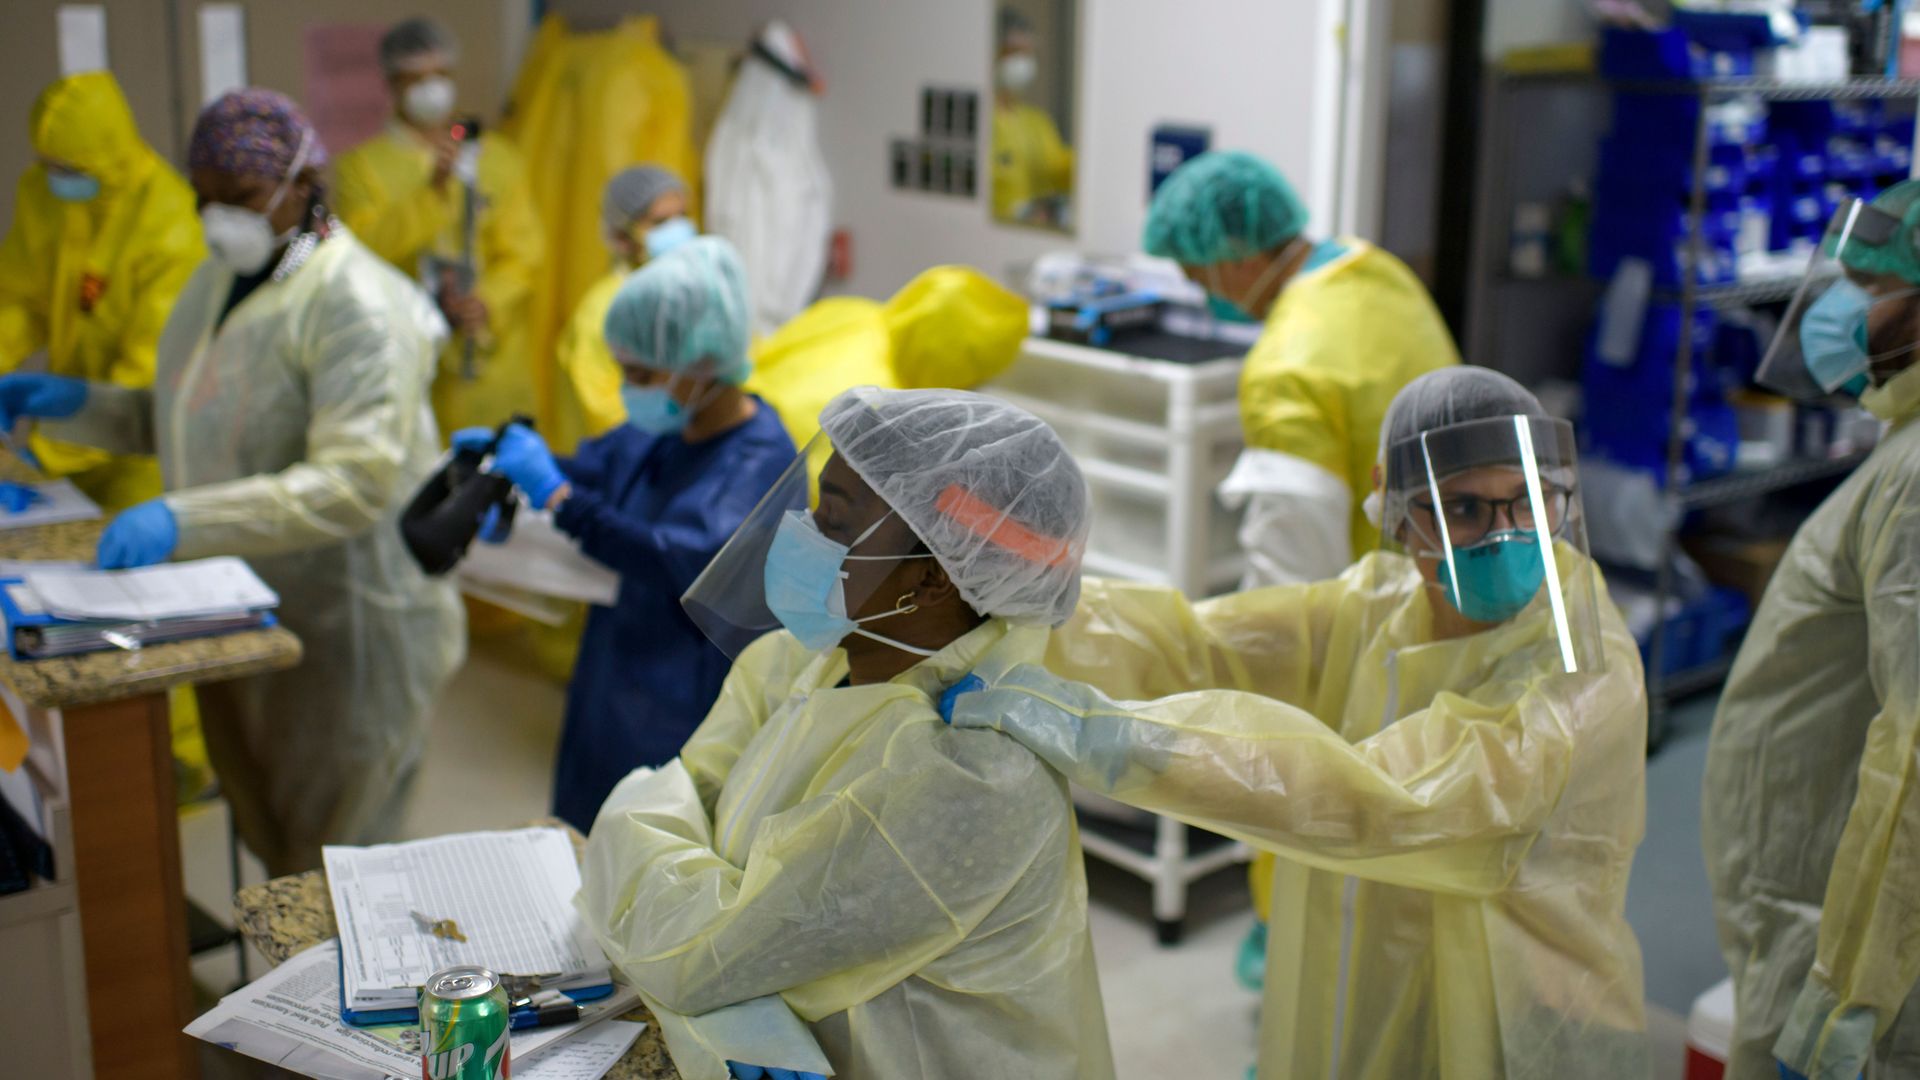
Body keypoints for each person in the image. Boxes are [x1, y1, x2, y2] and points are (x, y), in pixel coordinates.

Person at [945, 367, 1650, 1079]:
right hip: (1357, 973)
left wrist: (1105, 737)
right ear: (1396, 506)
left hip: (1514, 1010)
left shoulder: (1586, 671)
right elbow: (1194, 643)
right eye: (1464, 508)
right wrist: (1025, 595)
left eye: (1528, 502)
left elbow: (1389, 798)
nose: (1506, 536)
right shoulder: (1380, 603)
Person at [577, 387, 1115, 1080]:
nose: (797, 534)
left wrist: (642, 832)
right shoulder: (805, 658)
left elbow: (695, 953)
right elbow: (698, 796)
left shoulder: (972, 776)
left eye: (833, 521)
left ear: (927, 581)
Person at [0, 90, 464, 876]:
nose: (221, 220)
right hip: (242, 596)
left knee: (338, 867)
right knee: (272, 834)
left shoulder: (357, 303)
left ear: (304, 179)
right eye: (205, 198)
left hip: (349, 618)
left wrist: (181, 520)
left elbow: (354, 482)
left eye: (242, 199)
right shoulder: (221, 279)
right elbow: (195, 414)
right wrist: (80, 407)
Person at [1144, 149, 1461, 967]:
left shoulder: (1289, 366)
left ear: (1241, 253)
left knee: (1333, 881)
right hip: (1453, 611)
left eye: (1197, 267)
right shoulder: (1377, 274)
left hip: (1368, 658)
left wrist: (1219, 686)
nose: (1198, 287)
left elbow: (1293, 583)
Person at [458, 237, 795, 831]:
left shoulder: (757, 464)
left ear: (703, 361)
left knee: (649, 845)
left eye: (641, 372)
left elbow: (673, 556)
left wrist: (557, 497)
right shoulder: (673, 423)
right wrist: (510, 459)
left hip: (681, 692)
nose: (628, 387)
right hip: (615, 665)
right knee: (587, 827)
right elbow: (600, 466)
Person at [1704, 183, 1920, 1080]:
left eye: (1872, 290)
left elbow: (1913, 766)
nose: (1841, 309)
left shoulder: (1915, 481)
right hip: (1805, 901)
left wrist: (1850, 996)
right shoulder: (1901, 442)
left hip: (1830, 931)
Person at [0, 71, 203, 510]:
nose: (55, 177)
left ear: (105, 156)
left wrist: (43, 456)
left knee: (125, 565)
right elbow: (18, 298)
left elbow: (143, 373)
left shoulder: (170, 224)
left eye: (69, 169)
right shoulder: (43, 193)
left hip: (143, 447)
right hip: (66, 429)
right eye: (48, 163)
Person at [332, 16, 543, 438]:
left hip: (490, 366)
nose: (431, 88)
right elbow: (362, 252)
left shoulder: (496, 158)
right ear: (392, 84)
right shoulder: (362, 168)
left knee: (500, 479)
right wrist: (432, 193)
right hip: (405, 362)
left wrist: (488, 301)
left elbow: (525, 251)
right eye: (416, 78)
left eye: (440, 75)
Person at [558, 164, 694, 442]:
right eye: (660, 223)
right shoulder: (603, 312)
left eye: (683, 217)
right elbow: (604, 413)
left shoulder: (692, 287)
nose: (677, 230)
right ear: (622, 238)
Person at [990, 9, 1074, 226]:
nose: (1023, 63)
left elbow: (1062, 170)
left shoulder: (1038, 122)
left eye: (1028, 54)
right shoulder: (982, 124)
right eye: (1014, 52)